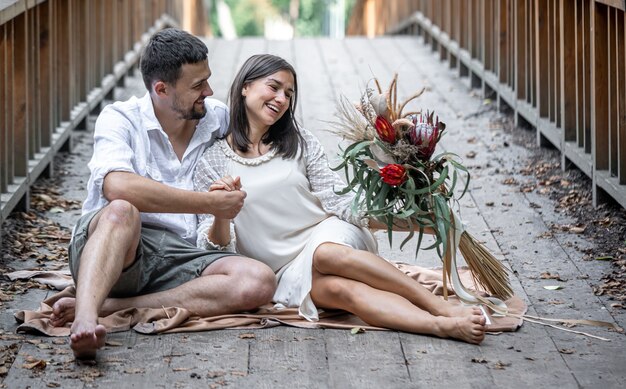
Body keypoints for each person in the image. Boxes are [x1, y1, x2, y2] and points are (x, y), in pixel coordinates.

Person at [193, 54, 487, 344]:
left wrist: (409, 223)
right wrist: (221, 212)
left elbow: (342, 203)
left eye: (289, 93)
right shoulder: (212, 162)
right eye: (274, 87)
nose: (281, 98)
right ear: (245, 86)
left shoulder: (300, 143)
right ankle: (440, 326)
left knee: (326, 254)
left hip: (327, 234)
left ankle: (439, 306)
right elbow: (218, 248)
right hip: (282, 270)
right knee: (343, 293)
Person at [49, 29, 276, 360]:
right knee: (122, 209)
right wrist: (210, 204)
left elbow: (269, 139)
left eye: (207, 80)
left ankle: (110, 307)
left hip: (183, 257)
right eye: (197, 85)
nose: (209, 91)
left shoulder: (218, 120)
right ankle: (84, 319)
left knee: (258, 281)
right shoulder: (120, 118)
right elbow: (118, 186)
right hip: (120, 247)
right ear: (161, 89)